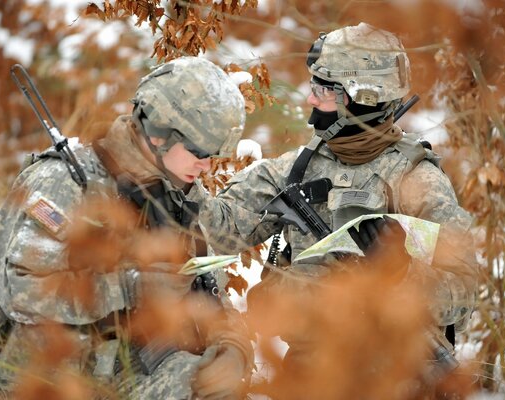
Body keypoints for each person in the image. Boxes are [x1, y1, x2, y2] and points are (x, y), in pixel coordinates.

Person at [0, 56, 254, 399]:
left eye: (213, 154)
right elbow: (21, 292)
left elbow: (205, 280)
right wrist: (128, 288)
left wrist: (232, 343)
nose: (207, 164)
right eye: (199, 150)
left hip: (126, 365)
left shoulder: (177, 192)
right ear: (158, 133)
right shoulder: (62, 184)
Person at [196, 23, 478, 391]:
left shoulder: (416, 180)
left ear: (361, 97)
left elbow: (463, 293)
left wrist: (403, 273)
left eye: (323, 90)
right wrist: (181, 167)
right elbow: (216, 228)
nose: (311, 100)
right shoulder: (295, 170)